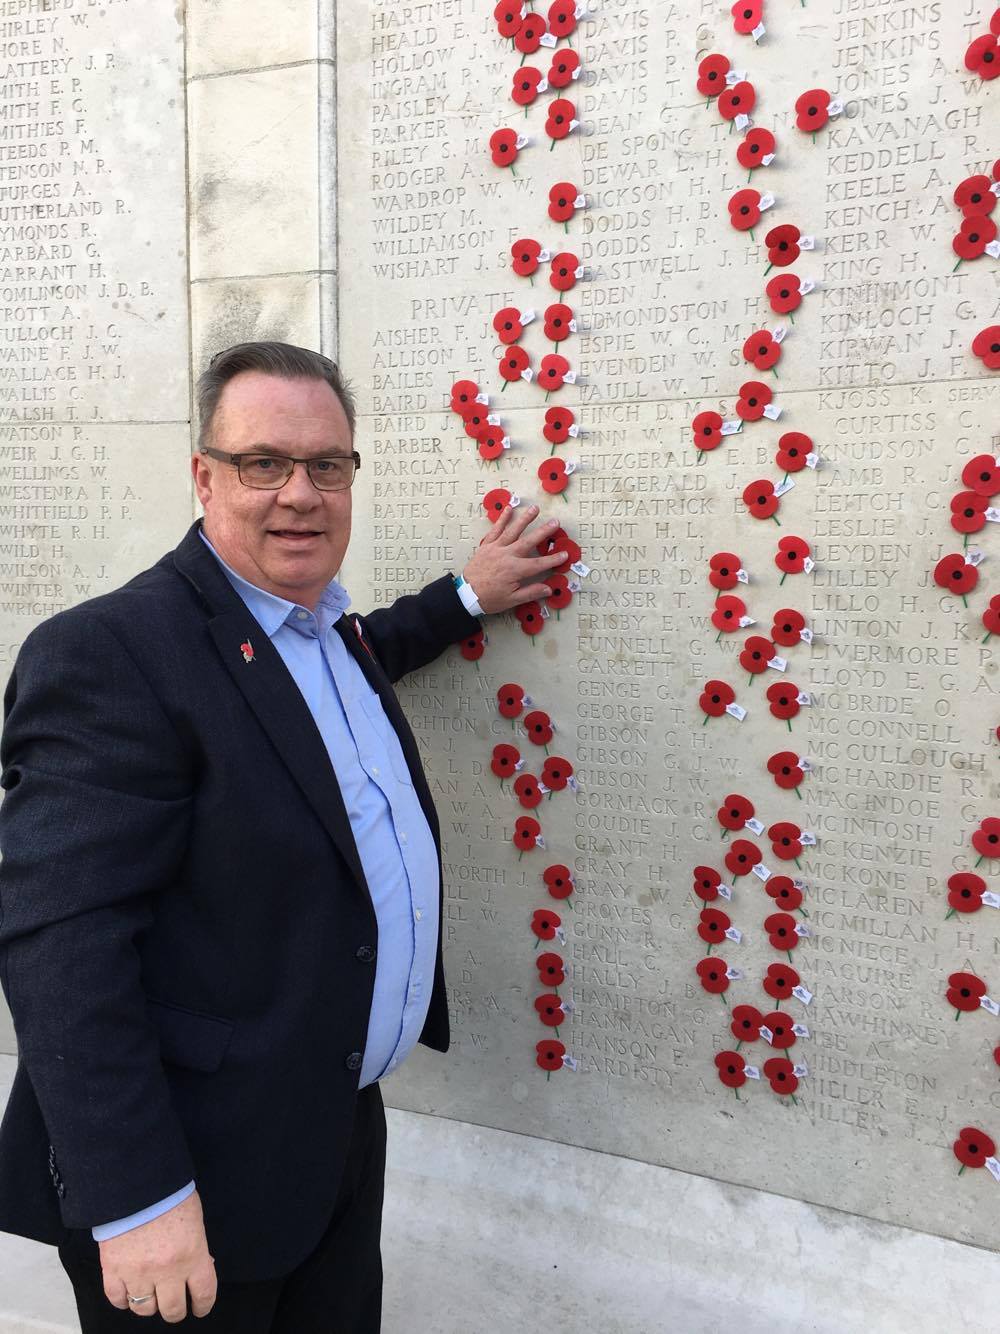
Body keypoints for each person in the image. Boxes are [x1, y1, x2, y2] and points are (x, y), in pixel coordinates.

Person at [0, 342, 563, 1330]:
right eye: (263, 462)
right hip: (193, 1172)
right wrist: (137, 1198)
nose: (300, 494)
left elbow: (359, 660)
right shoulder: (112, 652)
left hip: (335, 1130)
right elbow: (61, 947)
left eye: (326, 465)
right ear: (205, 475)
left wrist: (465, 597)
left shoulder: (325, 631)